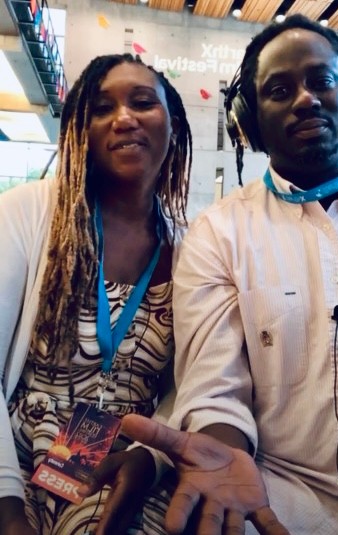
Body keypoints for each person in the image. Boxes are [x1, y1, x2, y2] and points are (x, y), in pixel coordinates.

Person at [91, 13, 338, 535]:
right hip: (281, 495)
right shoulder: (218, 232)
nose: (306, 100)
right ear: (251, 121)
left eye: (322, 81)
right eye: (280, 90)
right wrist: (222, 453)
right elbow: (214, 383)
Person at [0, 52, 192, 535]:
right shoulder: (27, 212)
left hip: (126, 462)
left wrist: (151, 458)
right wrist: (7, 507)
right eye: (102, 108)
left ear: (173, 124)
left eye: (143, 102)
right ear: (79, 131)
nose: (124, 118)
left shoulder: (191, 247)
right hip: (13, 453)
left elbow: (186, 387)